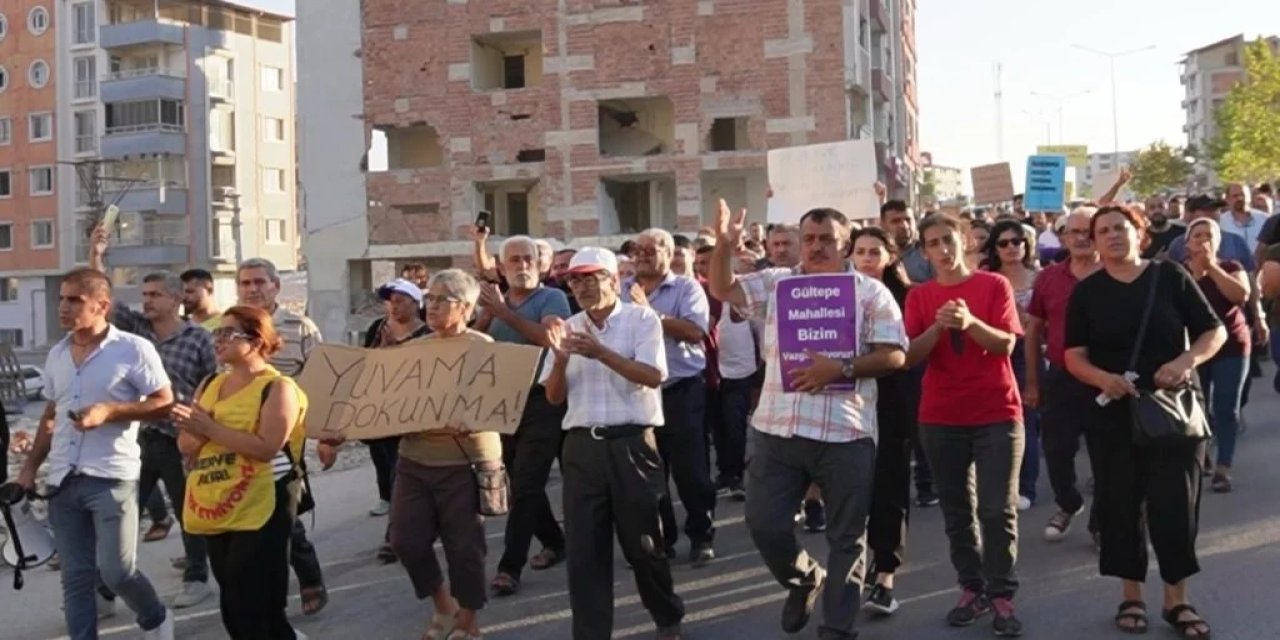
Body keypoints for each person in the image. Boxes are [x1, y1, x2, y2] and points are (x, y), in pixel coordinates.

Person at [708, 202, 907, 640]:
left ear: (846, 244)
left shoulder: (871, 293)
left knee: (847, 538)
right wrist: (723, 246)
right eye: (810, 239)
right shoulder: (778, 284)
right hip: (777, 429)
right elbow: (724, 290)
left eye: (826, 240)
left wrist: (842, 368)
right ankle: (803, 579)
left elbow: (894, 353)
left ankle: (837, 628)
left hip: (846, 432)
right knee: (764, 524)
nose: (816, 248)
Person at [1064, 205, 1224, 638]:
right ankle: (1131, 596)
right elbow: (1072, 354)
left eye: (1121, 228)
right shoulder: (1087, 292)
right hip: (1113, 417)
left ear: (1140, 234)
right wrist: (1102, 378)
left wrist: (1186, 360)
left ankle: (1178, 602)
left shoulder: (1170, 277)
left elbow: (1214, 331)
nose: (1113, 236)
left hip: (1172, 415)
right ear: (1093, 243)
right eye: (1104, 231)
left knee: (1175, 508)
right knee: (1119, 508)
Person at [14, 267, 176, 640]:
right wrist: (28, 470)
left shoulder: (133, 349)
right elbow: (52, 416)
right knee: (75, 577)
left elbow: (164, 402)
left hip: (111, 476)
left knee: (116, 572)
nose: (64, 308)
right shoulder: (57, 354)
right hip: (62, 480)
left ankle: (154, 616)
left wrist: (110, 411)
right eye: (61, 300)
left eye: (75, 300)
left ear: (102, 305)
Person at [541, 247, 686, 640]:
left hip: (632, 444)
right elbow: (554, 397)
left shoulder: (641, 320)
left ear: (613, 279)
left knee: (643, 545)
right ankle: (591, 633)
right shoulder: (568, 326)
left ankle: (666, 616)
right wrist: (558, 360)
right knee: (585, 551)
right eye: (575, 280)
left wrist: (601, 353)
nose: (582, 287)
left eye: (591, 278)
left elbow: (653, 376)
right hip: (582, 447)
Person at [904, 213, 1024, 637]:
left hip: (997, 412)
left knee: (997, 509)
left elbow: (1007, 343)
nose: (943, 249)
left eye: (948, 240)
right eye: (933, 242)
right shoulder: (920, 297)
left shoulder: (994, 286)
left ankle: (1002, 593)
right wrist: (939, 327)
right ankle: (971, 588)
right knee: (958, 511)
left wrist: (971, 323)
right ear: (924, 251)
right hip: (941, 417)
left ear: (965, 242)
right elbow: (911, 356)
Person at [173, 305, 309, 640]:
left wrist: (210, 428)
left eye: (227, 334)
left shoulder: (278, 389)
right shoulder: (210, 383)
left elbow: (266, 447)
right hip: (218, 497)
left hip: (265, 500)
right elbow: (186, 444)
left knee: (255, 600)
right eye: (215, 333)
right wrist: (203, 431)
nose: (216, 341)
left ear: (256, 340)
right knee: (232, 601)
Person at [388, 269, 502, 640]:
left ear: (467, 308)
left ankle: (468, 621)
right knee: (405, 539)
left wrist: (473, 419)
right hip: (415, 459)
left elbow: (501, 407)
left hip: (465, 461)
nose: (431, 306)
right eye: (429, 298)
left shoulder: (485, 348)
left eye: (442, 299)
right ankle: (443, 607)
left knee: (465, 547)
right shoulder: (413, 350)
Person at [473, 236, 572, 596]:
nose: (522, 265)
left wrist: (503, 314)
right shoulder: (493, 303)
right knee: (517, 481)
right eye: (514, 260)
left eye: (528, 258)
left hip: (543, 400)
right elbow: (471, 342)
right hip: (501, 402)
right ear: (501, 267)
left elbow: (549, 339)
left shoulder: (552, 298)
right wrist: (486, 316)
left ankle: (509, 567)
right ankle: (555, 541)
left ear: (541, 264)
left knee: (528, 481)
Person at [236, 257, 329, 616]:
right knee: (247, 513)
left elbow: (322, 383)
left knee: (282, 514)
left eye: (259, 282)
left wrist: (324, 436)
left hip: (287, 439)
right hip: (240, 435)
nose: (252, 289)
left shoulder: (300, 328)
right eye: (245, 283)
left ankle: (309, 579)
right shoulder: (229, 328)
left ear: (275, 286)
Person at [623, 228, 717, 566]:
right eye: (638, 248)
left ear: (669, 252)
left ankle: (701, 535)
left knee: (691, 471)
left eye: (652, 248)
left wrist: (650, 314)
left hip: (681, 390)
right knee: (649, 472)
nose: (643, 254)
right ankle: (662, 539)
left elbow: (695, 332)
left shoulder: (686, 288)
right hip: (637, 393)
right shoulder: (621, 289)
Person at [849, 227, 918, 617]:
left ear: (890, 257)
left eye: (876, 251)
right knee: (852, 490)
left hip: (892, 402)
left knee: (890, 488)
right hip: (846, 403)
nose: (868, 258)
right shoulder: (837, 296)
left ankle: (885, 576)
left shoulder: (908, 297)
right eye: (860, 251)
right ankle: (850, 570)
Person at [1025, 206, 1102, 545]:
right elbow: (1034, 331)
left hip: (1107, 380)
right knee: (1056, 451)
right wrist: (1031, 381)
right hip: (1061, 377)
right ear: (1063, 238)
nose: (1081, 237)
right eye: (1074, 232)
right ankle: (1069, 504)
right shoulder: (1049, 278)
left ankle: (1102, 522)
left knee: (1107, 455)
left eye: (1089, 230)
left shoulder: (1117, 273)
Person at [362, 278, 432, 562]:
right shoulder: (377, 329)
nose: (394, 305)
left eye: (401, 299)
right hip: (381, 411)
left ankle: (395, 535)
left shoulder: (428, 333)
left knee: (401, 471)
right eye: (391, 299)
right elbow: (365, 365)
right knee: (388, 467)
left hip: (413, 414)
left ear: (416, 304)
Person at [1182, 219, 1250, 494]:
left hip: (1231, 346)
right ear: (1187, 243)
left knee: (1226, 408)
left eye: (1208, 236)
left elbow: (1240, 295)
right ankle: (1204, 453)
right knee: (1198, 406)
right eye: (1196, 236)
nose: (1202, 240)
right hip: (1195, 348)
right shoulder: (1179, 272)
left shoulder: (1231, 267)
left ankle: (1224, 466)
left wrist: (1211, 267)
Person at [985, 220, 1042, 512]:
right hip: (996, 352)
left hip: (1031, 353)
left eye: (1016, 241)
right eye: (1003, 243)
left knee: (1026, 421)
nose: (1011, 248)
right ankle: (1001, 483)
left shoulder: (1040, 277)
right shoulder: (987, 279)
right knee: (998, 423)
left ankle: (1026, 487)